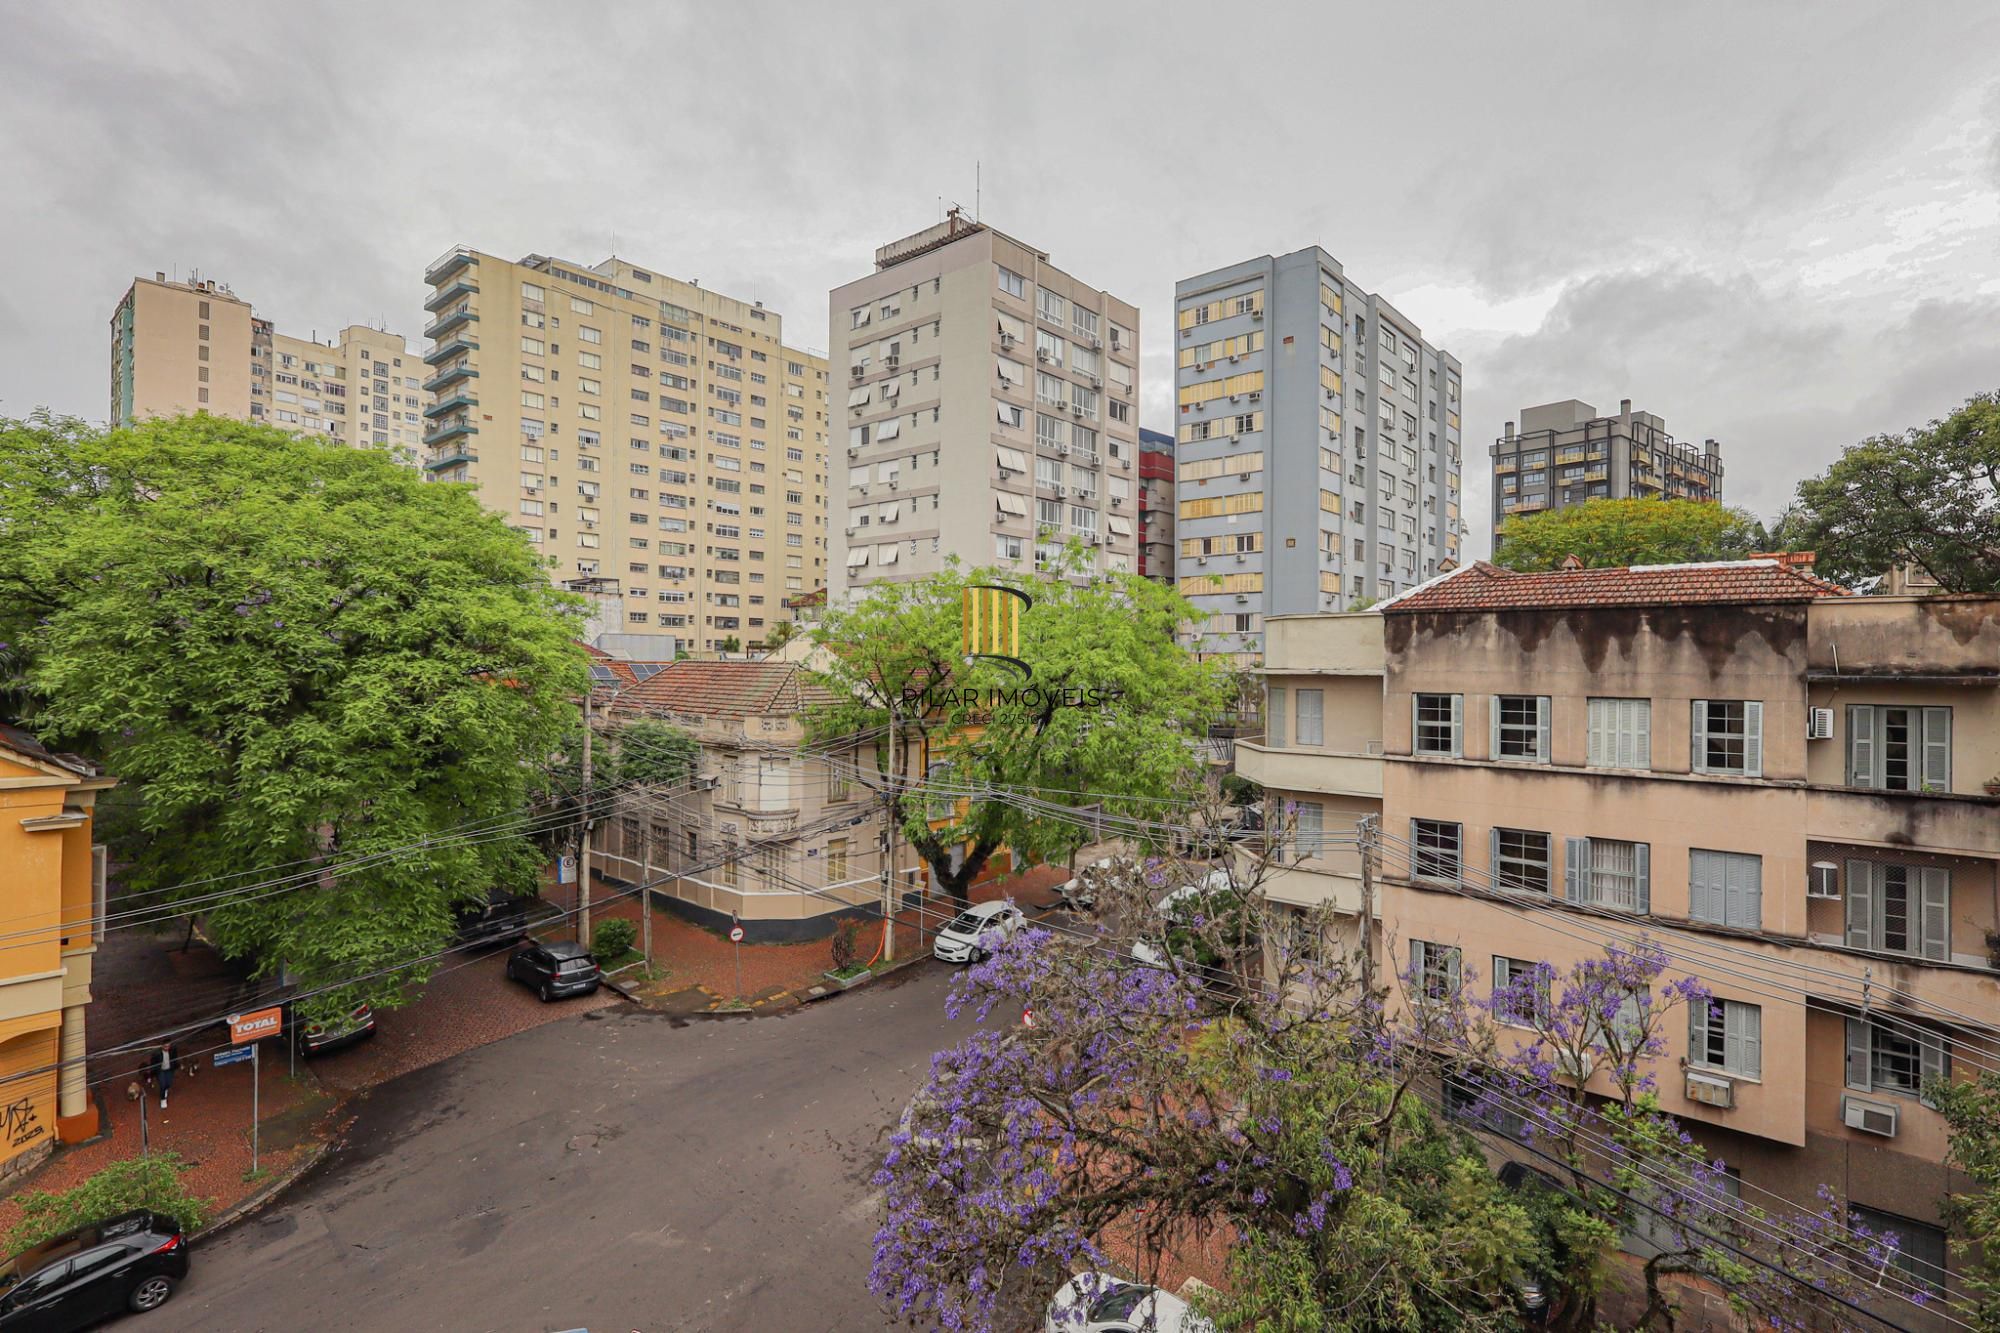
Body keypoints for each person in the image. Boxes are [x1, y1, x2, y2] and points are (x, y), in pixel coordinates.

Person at [154, 1043, 175, 1110]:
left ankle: (166, 1089)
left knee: (168, 1083)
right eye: (165, 1046)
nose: (167, 1048)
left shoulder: (173, 1051)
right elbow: (153, 1063)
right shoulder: (157, 1053)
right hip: (161, 1071)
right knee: (162, 1085)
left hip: (169, 1070)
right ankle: (163, 1100)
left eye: (168, 1046)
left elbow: (175, 1059)